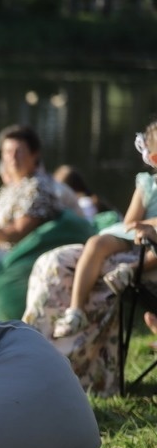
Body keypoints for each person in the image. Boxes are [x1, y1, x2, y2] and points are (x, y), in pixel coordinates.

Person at [51, 120, 157, 338]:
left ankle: (131, 270)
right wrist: (145, 227)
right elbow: (130, 222)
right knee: (96, 243)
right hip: (138, 236)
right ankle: (76, 310)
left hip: (153, 243)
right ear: (155, 159)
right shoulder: (148, 184)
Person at [0, 124, 64, 276]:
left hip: (18, 255)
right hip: (0, 248)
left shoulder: (37, 187)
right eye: (8, 152)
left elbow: (18, 233)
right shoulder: (12, 187)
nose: (13, 158)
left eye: (19, 151)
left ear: (34, 154)